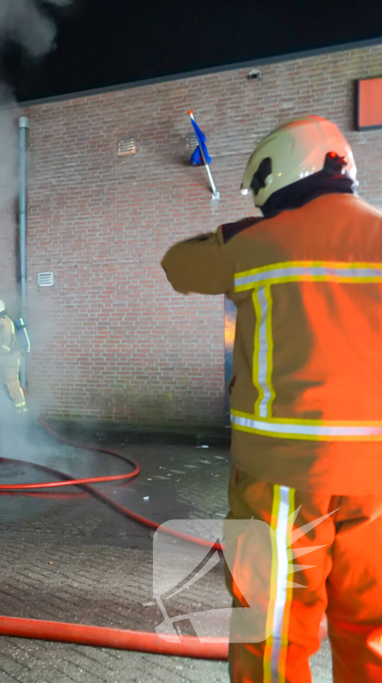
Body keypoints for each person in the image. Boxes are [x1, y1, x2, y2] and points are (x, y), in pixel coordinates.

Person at [161, 116, 382, 682]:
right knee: (373, 630)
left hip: (281, 475)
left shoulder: (259, 244)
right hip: (377, 480)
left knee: (271, 630)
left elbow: (177, 266)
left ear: (277, 173)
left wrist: (236, 234)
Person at [0, 298, 28, 414]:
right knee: (7, 382)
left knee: (12, 382)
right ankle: (17, 408)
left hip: (10, 358)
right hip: (8, 358)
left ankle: (21, 409)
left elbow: (7, 339)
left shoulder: (4, 321)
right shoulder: (1, 321)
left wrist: (1, 352)